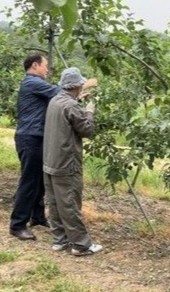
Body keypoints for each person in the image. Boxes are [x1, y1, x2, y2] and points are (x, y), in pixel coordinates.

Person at [43, 67, 102, 256]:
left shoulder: (55, 101)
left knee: (54, 203)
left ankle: (59, 240)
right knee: (70, 203)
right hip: (66, 163)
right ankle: (80, 245)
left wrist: (78, 101)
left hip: (50, 161)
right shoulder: (71, 106)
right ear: (76, 86)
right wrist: (90, 111)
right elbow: (87, 130)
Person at [9, 54, 61, 240]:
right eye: (45, 65)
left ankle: (37, 217)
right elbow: (60, 92)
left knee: (39, 180)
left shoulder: (35, 84)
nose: (47, 69)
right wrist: (82, 84)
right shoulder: (32, 82)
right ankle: (17, 225)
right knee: (29, 181)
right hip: (30, 138)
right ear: (35, 65)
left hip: (37, 137)